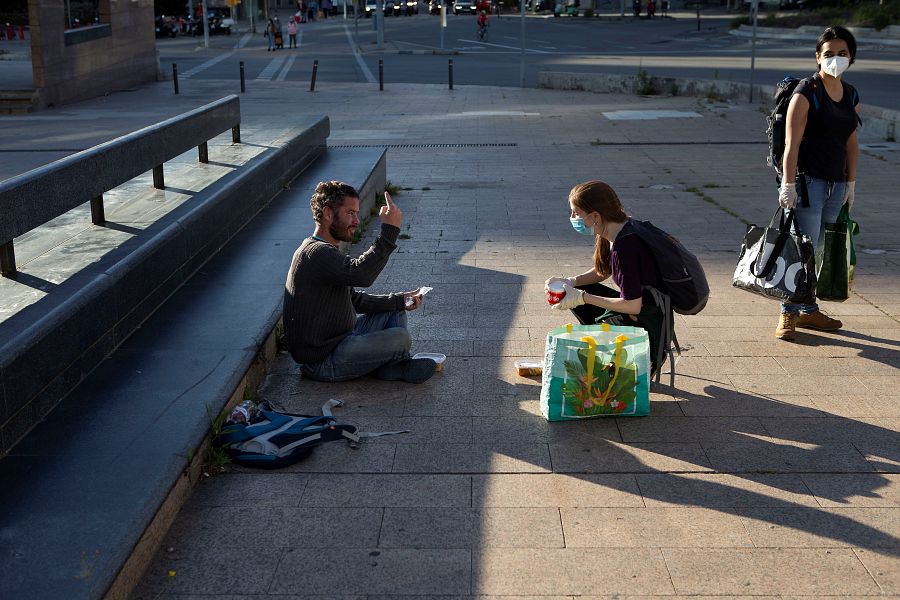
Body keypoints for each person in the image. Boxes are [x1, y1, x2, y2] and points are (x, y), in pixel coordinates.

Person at [283, 181, 437, 384]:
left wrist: (400, 300)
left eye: (356, 213)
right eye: (350, 213)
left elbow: (353, 299)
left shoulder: (323, 249)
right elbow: (361, 275)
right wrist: (389, 230)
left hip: (342, 338)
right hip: (322, 360)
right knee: (401, 338)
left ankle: (391, 366)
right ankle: (393, 364)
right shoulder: (316, 253)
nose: (356, 220)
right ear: (328, 214)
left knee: (395, 307)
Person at [775, 26, 860, 340]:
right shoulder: (807, 91)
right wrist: (788, 184)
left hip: (836, 185)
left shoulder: (850, 94)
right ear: (817, 57)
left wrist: (851, 183)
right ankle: (787, 313)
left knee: (820, 251)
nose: (835, 59)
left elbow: (852, 141)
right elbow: (791, 144)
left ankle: (809, 312)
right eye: (828, 54)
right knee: (802, 249)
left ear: (851, 57)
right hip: (807, 183)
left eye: (842, 53)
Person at [545, 181, 666, 375]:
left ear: (595, 216)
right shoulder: (619, 227)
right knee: (588, 290)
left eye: (576, 213)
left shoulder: (624, 247)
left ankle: (629, 363)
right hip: (649, 310)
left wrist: (581, 297)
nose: (573, 218)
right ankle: (609, 359)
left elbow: (632, 305)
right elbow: (603, 271)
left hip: (649, 324)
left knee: (586, 303)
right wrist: (570, 282)